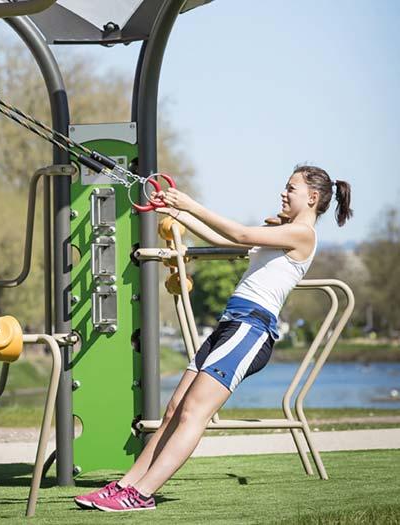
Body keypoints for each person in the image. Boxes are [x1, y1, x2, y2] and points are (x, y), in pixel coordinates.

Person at [74, 165, 353, 512]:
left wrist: (190, 204)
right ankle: (126, 484)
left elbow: (238, 234)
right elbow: (223, 240)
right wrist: (175, 212)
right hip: (230, 326)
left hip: (250, 330)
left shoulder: (303, 235)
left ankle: (142, 493)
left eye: (291, 188)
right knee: (175, 409)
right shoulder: (284, 229)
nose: (284, 192)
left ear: (312, 198)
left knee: (193, 413)